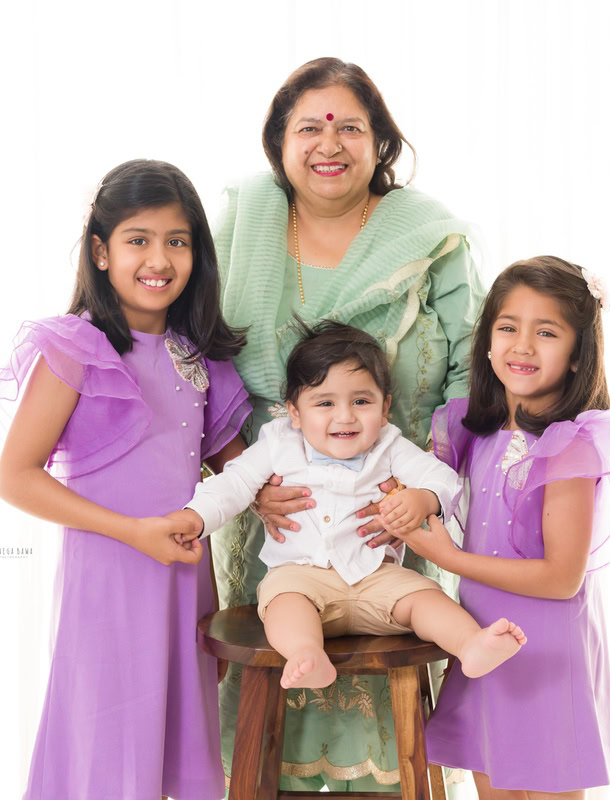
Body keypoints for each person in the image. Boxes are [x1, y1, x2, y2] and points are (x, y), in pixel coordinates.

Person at [212, 56, 485, 791]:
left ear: (380, 143)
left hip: (389, 504)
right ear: (279, 141)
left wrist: (421, 491)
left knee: (396, 621)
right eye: (309, 126)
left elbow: (472, 367)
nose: (329, 143)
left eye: (350, 127)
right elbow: (201, 358)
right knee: (285, 635)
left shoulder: (430, 235)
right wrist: (246, 473)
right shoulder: (241, 226)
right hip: (278, 506)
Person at [0, 159, 251, 799]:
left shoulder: (199, 360)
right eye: (139, 239)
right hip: (106, 584)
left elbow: (242, 474)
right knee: (106, 755)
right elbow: (15, 478)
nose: (159, 258)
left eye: (177, 241)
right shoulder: (75, 348)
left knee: (180, 757)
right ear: (101, 251)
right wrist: (131, 532)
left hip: (184, 584)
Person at [393, 256, 610, 799]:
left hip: (547, 655)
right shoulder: (472, 428)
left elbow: (562, 578)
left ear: (578, 351)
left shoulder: (568, 447)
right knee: (493, 785)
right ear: (487, 340)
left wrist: (448, 558)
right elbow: (423, 479)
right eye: (508, 327)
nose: (522, 346)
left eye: (547, 332)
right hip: (487, 643)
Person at [167, 322, 526, 689]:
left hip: (377, 577)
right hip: (303, 576)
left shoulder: (389, 445)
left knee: (425, 598)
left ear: (385, 407)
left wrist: (424, 498)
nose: (345, 416)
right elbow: (234, 482)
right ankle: (307, 653)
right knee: (282, 602)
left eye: (361, 401)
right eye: (325, 403)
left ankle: (470, 644)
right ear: (294, 412)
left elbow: (445, 481)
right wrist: (194, 519)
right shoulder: (279, 443)